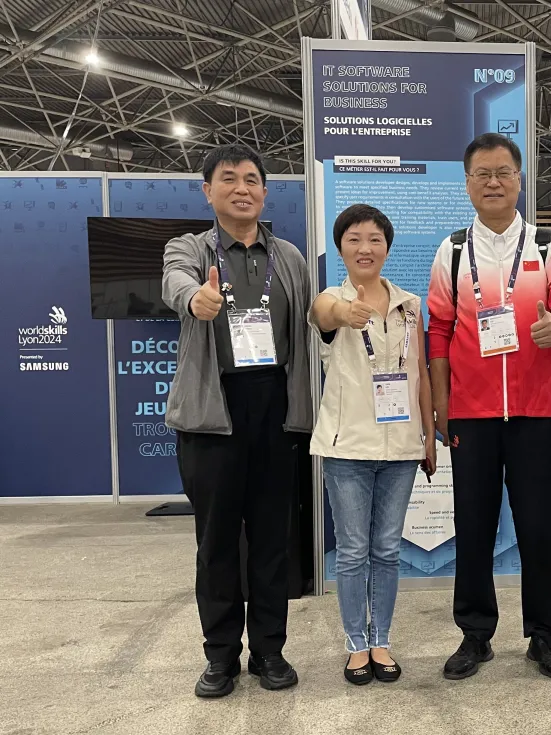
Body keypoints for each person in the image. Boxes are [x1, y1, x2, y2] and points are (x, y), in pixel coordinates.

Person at [427, 133, 551, 681]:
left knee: (538, 527)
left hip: (535, 411)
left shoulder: (546, 243)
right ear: (468, 183)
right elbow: (439, 330)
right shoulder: (451, 251)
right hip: (471, 414)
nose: (493, 182)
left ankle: (542, 633)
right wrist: (441, 405)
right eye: (482, 174)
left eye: (503, 172)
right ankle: (475, 634)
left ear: (519, 180)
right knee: (473, 526)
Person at [162, 144, 312, 698]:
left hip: (275, 408)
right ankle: (220, 655)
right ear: (208, 191)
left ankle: (269, 650)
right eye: (229, 179)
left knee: (272, 538)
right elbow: (175, 281)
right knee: (217, 541)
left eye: (251, 179)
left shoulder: (288, 256)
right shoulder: (190, 248)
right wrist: (194, 300)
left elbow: (307, 325)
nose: (242, 188)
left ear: (264, 192)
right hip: (213, 412)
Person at [309, 204, 436, 686]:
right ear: (341, 247)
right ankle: (355, 645)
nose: (365, 248)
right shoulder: (331, 299)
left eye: (375, 239)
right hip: (347, 448)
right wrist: (345, 312)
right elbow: (322, 315)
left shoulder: (409, 305)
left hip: (401, 447)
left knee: (386, 549)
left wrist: (428, 436)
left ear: (387, 247)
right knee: (352, 551)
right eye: (354, 239)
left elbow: (420, 373)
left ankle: (381, 639)